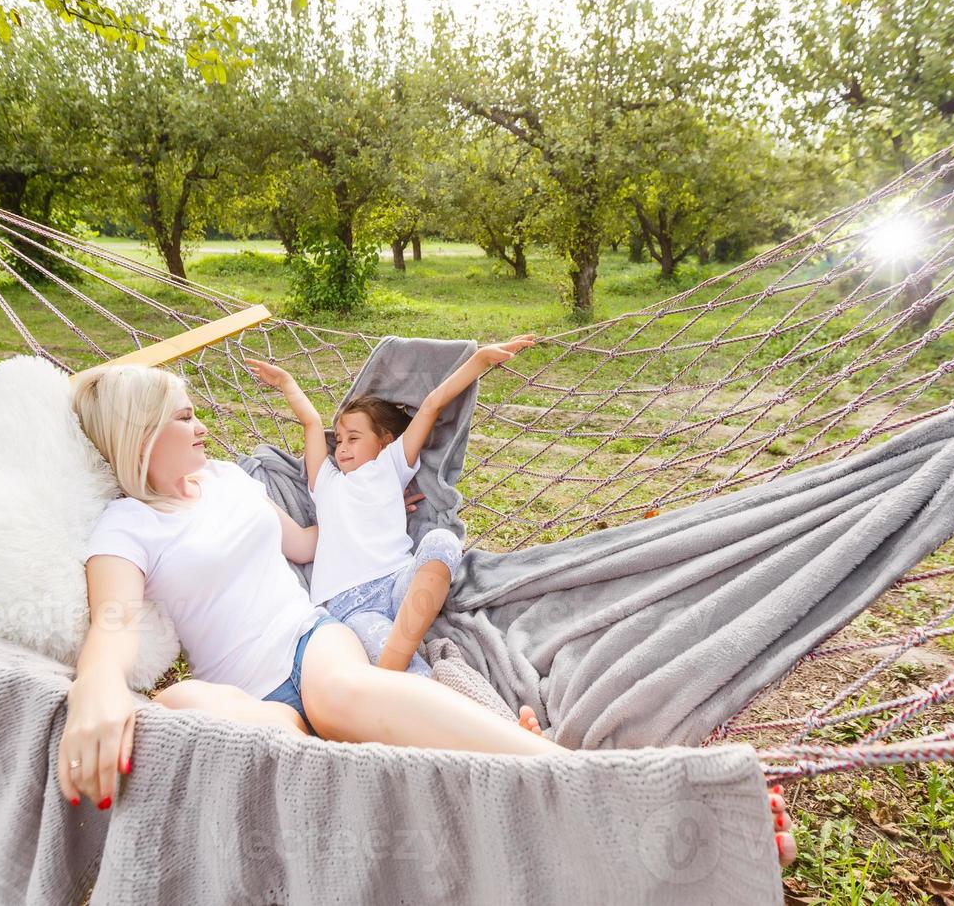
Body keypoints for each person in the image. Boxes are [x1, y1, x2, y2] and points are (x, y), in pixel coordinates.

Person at [54, 362, 797, 868]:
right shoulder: (128, 526)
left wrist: (391, 522)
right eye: (186, 417)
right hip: (252, 700)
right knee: (180, 705)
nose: (204, 426)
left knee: (340, 695)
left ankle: (610, 792)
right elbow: (114, 621)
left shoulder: (228, 483)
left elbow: (309, 545)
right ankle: (474, 793)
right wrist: (98, 686)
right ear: (141, 434)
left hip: (314, 648)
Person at [245, 334, 535, 678]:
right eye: (339, 440)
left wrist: (479, 361)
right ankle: (410, 681)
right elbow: (310, 422)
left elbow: (431, 406)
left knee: (442, 541)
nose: (342, 447)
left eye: (354, 437)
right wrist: (288, 383)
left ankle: (390, 676)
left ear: (385, 442)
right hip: (350, 605)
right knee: (406, 668)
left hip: (400, 582)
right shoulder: (325, 482)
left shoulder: (390, 465)